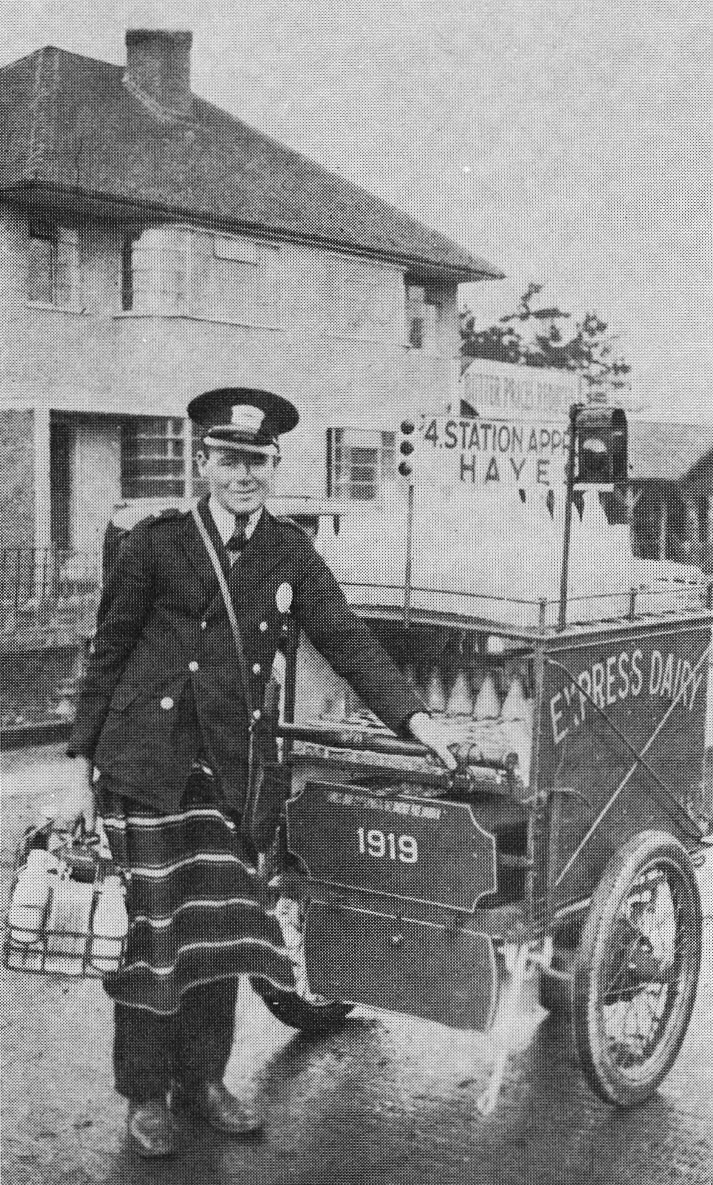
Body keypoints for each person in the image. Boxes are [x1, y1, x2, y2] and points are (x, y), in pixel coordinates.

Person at [59, 388, 458, 1158]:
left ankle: (202, 1080)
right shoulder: (155, 542)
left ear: (275, 465)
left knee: (219, 933)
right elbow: (108, 651)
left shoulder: (288, 552)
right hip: (145, 764)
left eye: (258, 460)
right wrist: (81, 763)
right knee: (150, 940)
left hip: (232, 771)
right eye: (229, 458)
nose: (243, 473)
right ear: (203, 462)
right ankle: (145, 1094)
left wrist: (417, 721)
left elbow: (346, 638)